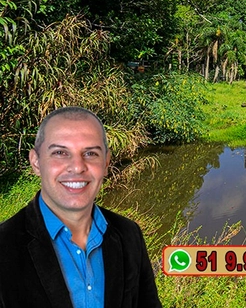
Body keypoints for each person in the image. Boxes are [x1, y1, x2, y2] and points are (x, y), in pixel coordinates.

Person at [0, 106, 162, 308]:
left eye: (91, 153)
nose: (77, 167)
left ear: (106, 163)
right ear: (36, 162)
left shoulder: (129, 234)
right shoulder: (4, 246)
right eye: (60, 152)